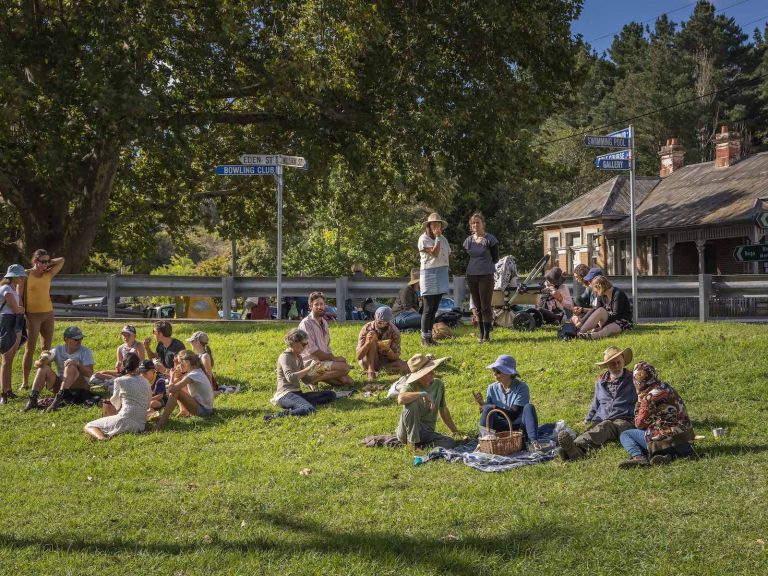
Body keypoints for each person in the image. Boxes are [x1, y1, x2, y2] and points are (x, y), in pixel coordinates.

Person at [557, 346, 637, 461]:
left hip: (623, 420)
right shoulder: (600, 381)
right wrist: (587, 419)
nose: (617, 366)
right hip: (602, 418)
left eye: (619, 362)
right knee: (593, 430)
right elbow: (596, 403)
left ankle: (575, 448)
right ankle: (573, 452)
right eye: (612, 364)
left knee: (604, 427)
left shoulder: (634, 379)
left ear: (624, 360)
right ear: (607, 366)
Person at [618, 361, 696, 468]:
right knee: (653, 430)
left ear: (637, 381)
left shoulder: (649, 398)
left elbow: (639, 424)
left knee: (626, 434)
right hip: (687, 443)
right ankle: (667, 456)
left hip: (667, 441)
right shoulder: (666, 387)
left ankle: (639, 457)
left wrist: (639, 400)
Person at [472, 354, 542, 451]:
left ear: (509, 373)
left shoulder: (522, 387)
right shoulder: (491, 388)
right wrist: (482, 404)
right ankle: (482, 443)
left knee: (529, 407)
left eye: (498, 371)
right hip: (499, 428)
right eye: (494, 371)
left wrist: (493, 407)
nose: (494, 374)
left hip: (519, 428)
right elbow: (489, 413)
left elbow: (513, 415)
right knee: (488, 409)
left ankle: (533, 443)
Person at [265, 328, 337, 421]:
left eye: (307, 344)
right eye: (303, 344)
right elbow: (291, 378)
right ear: (294, 343)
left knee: (331, 395)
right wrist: (309, 368)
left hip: (297, 393)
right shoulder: (285, 356)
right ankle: (275, 416)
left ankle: (299, 406)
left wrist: (320, 370)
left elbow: (306, 380)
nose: (305, 347)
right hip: (285, 394)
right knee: (309, 409)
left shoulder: (298, 357)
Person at [23, 326, 95, 412]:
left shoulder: (85, 351)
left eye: (81, 339)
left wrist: (77, 364)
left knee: (70, 366)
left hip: (80, 387)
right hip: (62, 385)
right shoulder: (58, 349)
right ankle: (32, 400)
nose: (79, 342)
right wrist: (43, 359)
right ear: (66, 339)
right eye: (76, 339)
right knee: (43, 369)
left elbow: (90, 374)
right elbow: (38, 364)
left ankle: (59, 399)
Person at [21, 249, 65, 390]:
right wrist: (24, 313)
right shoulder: (26, 274)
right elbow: (20, 295)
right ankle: (25, 381)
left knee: (46, 348)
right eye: (43, 261)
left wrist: (47, 262)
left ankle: (47, 380)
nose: (46, 264)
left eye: (47, 261)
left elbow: (62, 260)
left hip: (48, 314)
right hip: (32, 315)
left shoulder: (48, 273)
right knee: (30, 349)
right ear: (35, 261)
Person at [396, 353, 459, 448]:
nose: (433, 373)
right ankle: (413, 444)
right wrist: (423, 394)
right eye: (429, 372)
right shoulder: (410, 386)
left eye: (432, 370)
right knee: (413, 403)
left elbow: (443, 409)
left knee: (450, 442)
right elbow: (401, 399)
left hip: (426, 431)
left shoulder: (438, 384)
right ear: (420, 376)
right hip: (406, 432)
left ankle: (422, 446)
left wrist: (455, 431)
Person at [84, 352, 150, 440]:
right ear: (138, 364)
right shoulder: (145, 381)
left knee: (89, 425)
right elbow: (148, 404)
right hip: (141, 424)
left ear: (123, 364)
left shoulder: (119, 381)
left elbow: (116, 404)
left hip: (125, 419)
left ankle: (101, 438)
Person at [297, 292, 354, 386]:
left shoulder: (324, 322)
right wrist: (333, 358)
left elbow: (326, 347)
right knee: (345, 368)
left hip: (323, 362)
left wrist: (334, 359)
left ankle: (317, 377)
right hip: (311, 364)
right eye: (316, 304)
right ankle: (309, 379)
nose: (320, 307)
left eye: (322, 304)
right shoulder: (306, 323)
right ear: (311, 306)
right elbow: (313, 351)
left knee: (348, 382)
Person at [155, 350, 215, 430]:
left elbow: (171, 389)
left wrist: (171, 377)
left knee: (176, 391)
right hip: (206, 409)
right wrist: (170, 373)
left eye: (180, 363)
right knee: (178, 385)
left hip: (204, 411)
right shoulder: (196, 371)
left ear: (187, 362)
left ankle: (161, 423)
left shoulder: (193, 375)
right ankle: (184, 411)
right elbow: (178, 379)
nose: (178, 366)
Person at [462, 212, 499, 342]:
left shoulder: (490, 239)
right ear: (471, 226)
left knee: (485, 306)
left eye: (478, 222)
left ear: (483, 224)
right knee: (476, 306)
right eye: (473, 223)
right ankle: (481, 333)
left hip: (486, 275)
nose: (476, 225)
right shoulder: (468, 241)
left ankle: (487, 335)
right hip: (472, 275)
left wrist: (485, 265)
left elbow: (495, 258)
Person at [418, 212, 451, 346]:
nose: (437, 226)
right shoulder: (423, 239)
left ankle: (430, 336)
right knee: (428, 308)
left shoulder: (443, 238)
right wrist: (437, 238)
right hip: (429, 274)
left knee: (435, 307)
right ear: (429, 226)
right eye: (434, 224)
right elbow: (435, 253)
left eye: (439, 224)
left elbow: (447, 253)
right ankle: (424, 338)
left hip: (441, 272)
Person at [355, 306, 409, 381]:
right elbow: (358, 356)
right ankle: (371, 371)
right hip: (367, 361)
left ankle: (380, 371)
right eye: (380, 322)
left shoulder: (394, 331)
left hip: (385, 362)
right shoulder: (367, 328)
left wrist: (388, 350)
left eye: (385, 323)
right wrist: (367, 343)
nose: (382, 325)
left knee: (405, 366)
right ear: (375, 318)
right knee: (372, 335)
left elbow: (396, 357)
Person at [0, 265, 27, 404]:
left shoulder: (13, 290)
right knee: (6, 359)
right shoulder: (5, 289)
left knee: (9, 359)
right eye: (20, 276)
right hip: (7, 322)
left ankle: (8, 390)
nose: (22, 278)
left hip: (14, 322)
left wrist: (21, 308)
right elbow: (17, 309)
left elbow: (20, 307)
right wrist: (21, 309)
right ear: (13, 276)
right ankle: (3, 393)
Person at [577, 275, 633, 340]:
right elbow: (595, 310)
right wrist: (581, 322)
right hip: (609, 319)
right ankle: (580, 332)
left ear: (600, 287)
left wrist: (602, 326)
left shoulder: (618, 294)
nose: (594, 291)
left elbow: (616, 315)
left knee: (608, 328)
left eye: (595, 289)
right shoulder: (601, 295)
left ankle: (592, 336)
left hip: (622, 321)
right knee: (600, 310)